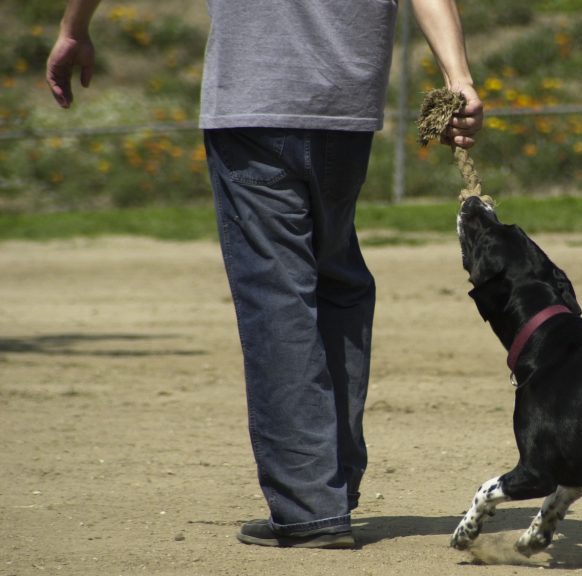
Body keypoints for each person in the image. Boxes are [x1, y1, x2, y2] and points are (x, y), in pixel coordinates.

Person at [47, 0, 483, 549]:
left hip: (255, 97)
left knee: (279, 293)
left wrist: (74, 27)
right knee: (336, 281)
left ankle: (310, 506)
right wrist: (457, 76)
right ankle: (331, 486)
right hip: (345, 103)